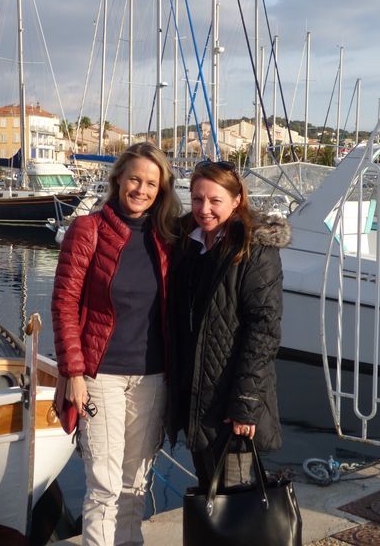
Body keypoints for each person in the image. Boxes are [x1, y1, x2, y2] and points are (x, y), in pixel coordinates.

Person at [51, 142, 180, 546]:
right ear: (118, 179)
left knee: (134, 483)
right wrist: (73, 373)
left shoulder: (167, 237)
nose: (141, 189)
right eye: (135, 179)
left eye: (151, 183)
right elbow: (64, 303)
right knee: (104, 484)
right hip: (100, 376)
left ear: (161, 190)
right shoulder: (88, 230)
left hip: (152, 378)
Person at [166, 160, 290, 488]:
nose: (204, 209)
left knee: (236, 503)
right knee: (210, 498)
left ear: (236, 201)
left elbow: (263, 329)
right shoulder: (186, 243)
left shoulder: (254, 249)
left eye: (214, 201)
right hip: (197, 397)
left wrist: (246, 403)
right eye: (196, 199)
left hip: (231, 402)